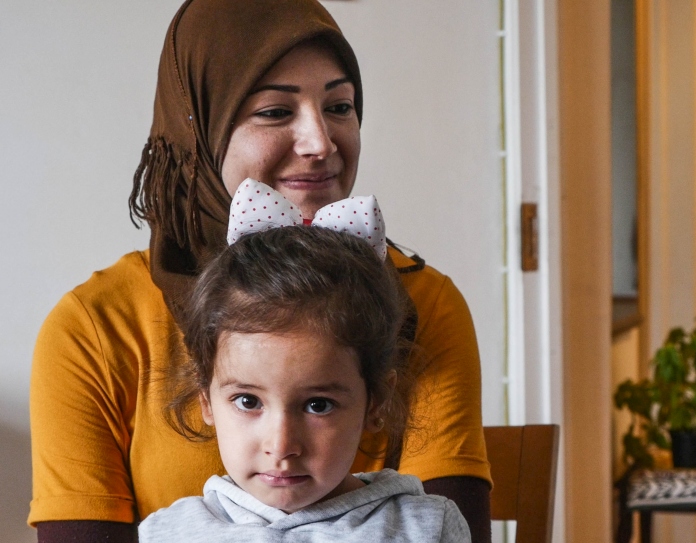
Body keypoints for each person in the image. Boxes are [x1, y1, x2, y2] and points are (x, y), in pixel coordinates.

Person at [29, 1, 491, 541]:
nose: (321, 143)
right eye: (275, 112)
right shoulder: (94, 328)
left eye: (340, 106)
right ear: (196, 126)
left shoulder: (422, 304)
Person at [138, 184, 469, 542]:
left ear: (376, 401)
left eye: (318, 405)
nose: (281, 445)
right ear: (206, 399)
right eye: (248, 401)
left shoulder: (424, 528)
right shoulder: (169, 533)